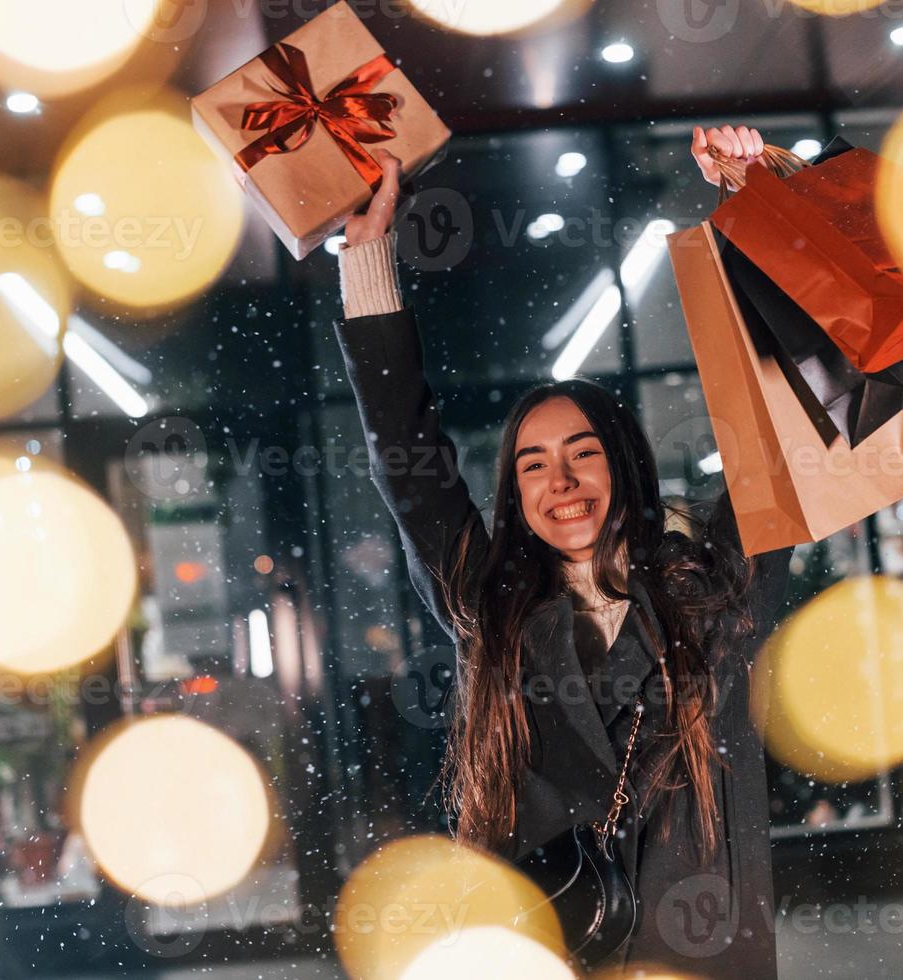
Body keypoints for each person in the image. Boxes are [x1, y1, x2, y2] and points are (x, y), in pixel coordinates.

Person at [332, 125, 795, 976]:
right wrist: (367, 262)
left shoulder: (716, 586)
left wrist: (757, 206)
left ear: (622, 461)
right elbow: (408, 455)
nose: (563, 481)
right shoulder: (489, 600)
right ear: (514, 494)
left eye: (582, 452)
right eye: (533, 465)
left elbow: (782, 438)